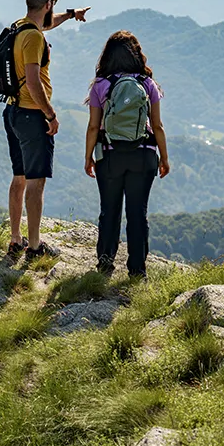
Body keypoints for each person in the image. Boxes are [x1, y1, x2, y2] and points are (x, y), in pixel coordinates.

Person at [5, 0, 89, 261]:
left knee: (19, 177)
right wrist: (50, 114)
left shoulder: (20, 27)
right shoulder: (35, 39)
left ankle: (16, 239)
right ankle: (35, 246)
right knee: (36, 182)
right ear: (48, 4)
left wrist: (70, 14)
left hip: (13, 110)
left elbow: (45, 25)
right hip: (32, 115)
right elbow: (33, 81)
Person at [84, 31, 170, 278]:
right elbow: (158, 125)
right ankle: (137, 269)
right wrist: (164, 158)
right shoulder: (147, 84)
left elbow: (93, 126)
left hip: (109, 156)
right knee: (137, 213)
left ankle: (105, 262)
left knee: (109, 210)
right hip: (143, 155)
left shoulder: (101, 85)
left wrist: (88, 156)